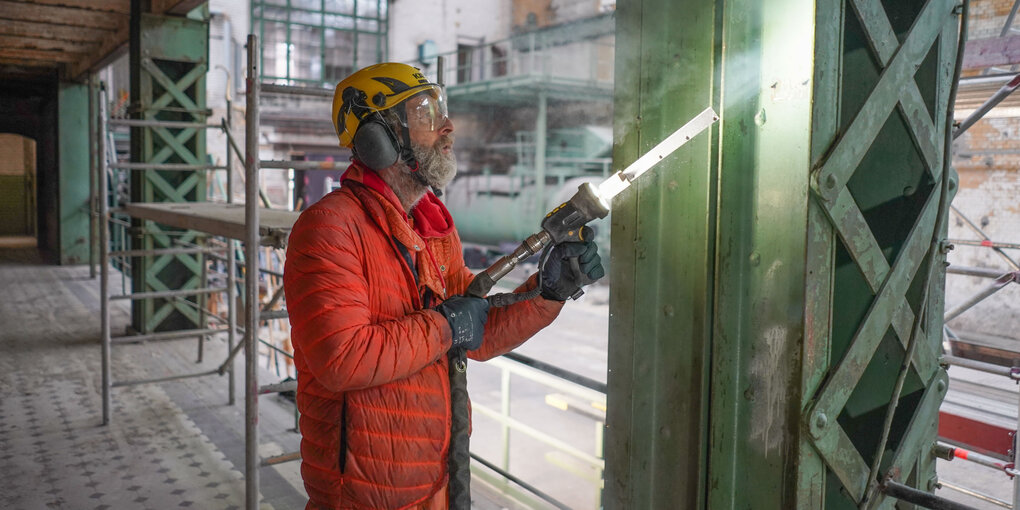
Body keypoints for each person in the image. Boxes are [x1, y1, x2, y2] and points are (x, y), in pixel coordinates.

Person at [282, 63, 605, 510]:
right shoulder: (329, 228)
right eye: (425, 113)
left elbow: (478, 332)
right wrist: (446, 326)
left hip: (439, 480)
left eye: (441, 109)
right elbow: (343, 359)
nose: (447, 127)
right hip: (363, 494)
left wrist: (548, 293)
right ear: (380, 137)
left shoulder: (433, 227)